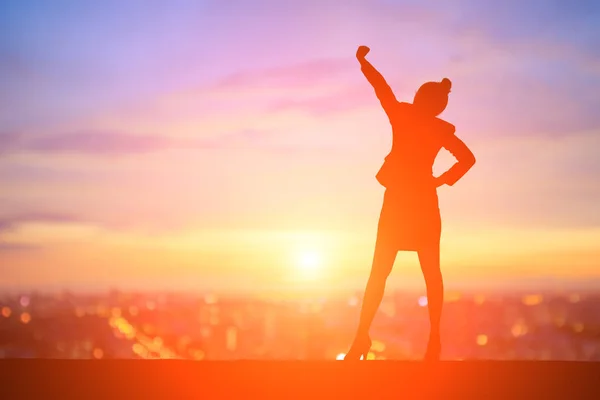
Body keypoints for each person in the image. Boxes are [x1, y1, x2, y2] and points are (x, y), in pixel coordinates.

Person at [344, 45, 476, 361]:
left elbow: (382, 89)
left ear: (422, 100)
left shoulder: (403, 115)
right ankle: (434, 342)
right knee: (431, 273)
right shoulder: (438, 129)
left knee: (379, 273)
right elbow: (467, 159)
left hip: (399, 202)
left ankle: (362, 337)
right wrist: (439, 181)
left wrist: (364, 62)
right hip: (424, 203)